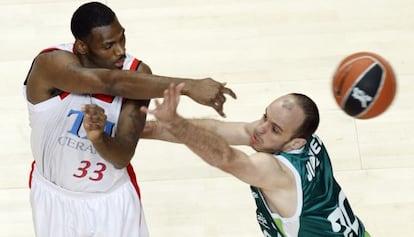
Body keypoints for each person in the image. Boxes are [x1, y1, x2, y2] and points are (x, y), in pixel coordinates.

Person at [23, 2, 235, 237]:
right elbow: (109, 82)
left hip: (111, 201)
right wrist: (188, 86)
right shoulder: (50, 64)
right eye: (108, 45)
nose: (120, 50)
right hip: (54, 198)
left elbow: (122, 156)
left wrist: (99, 137)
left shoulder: (138, 74)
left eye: (122, 39)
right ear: (82, 46)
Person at [136, 83, 369, 237]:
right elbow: (216, 130)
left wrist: (177, 124)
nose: (260, 128)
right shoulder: (301, 138)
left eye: (275, 129)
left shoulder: (277, 172)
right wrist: (149, 128)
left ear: (295, 143)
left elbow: (226, 158)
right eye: (264, 116)